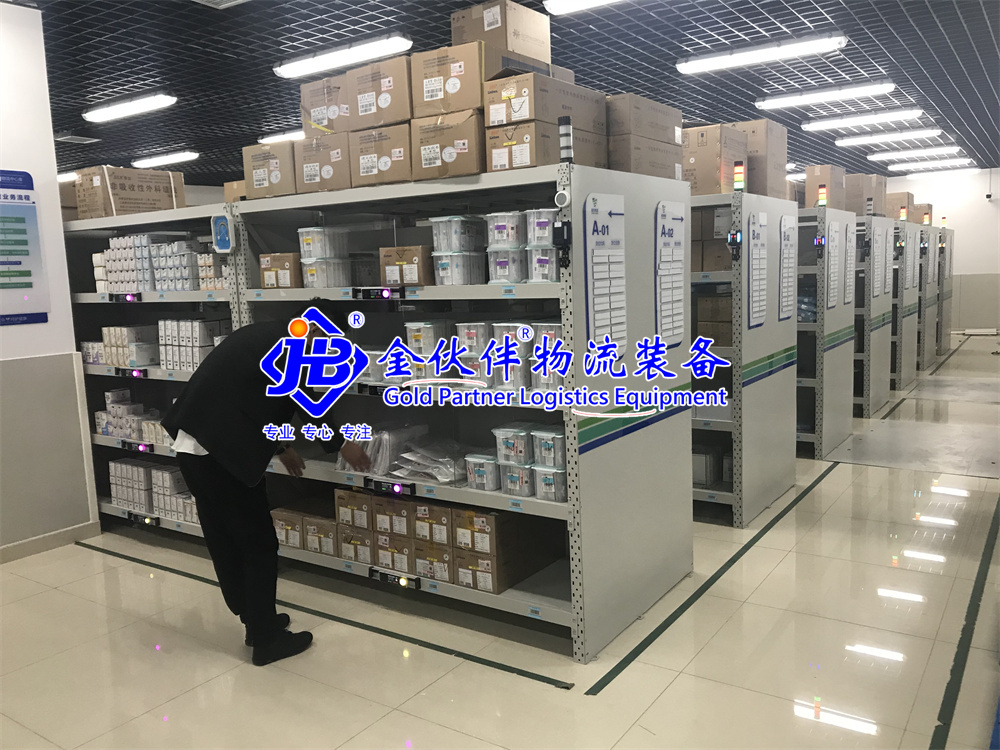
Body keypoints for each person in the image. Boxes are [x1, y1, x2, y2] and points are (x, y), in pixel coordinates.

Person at [162, 301, 371, 666]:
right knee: (257, 544)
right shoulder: (295, 346)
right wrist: (343, 445)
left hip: (195, 448)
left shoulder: (265, 335)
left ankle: (256, 619)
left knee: (226, 539)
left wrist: (281, 448)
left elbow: (254, 398)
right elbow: (307, 402)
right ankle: (266, 641)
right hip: (220, 456)